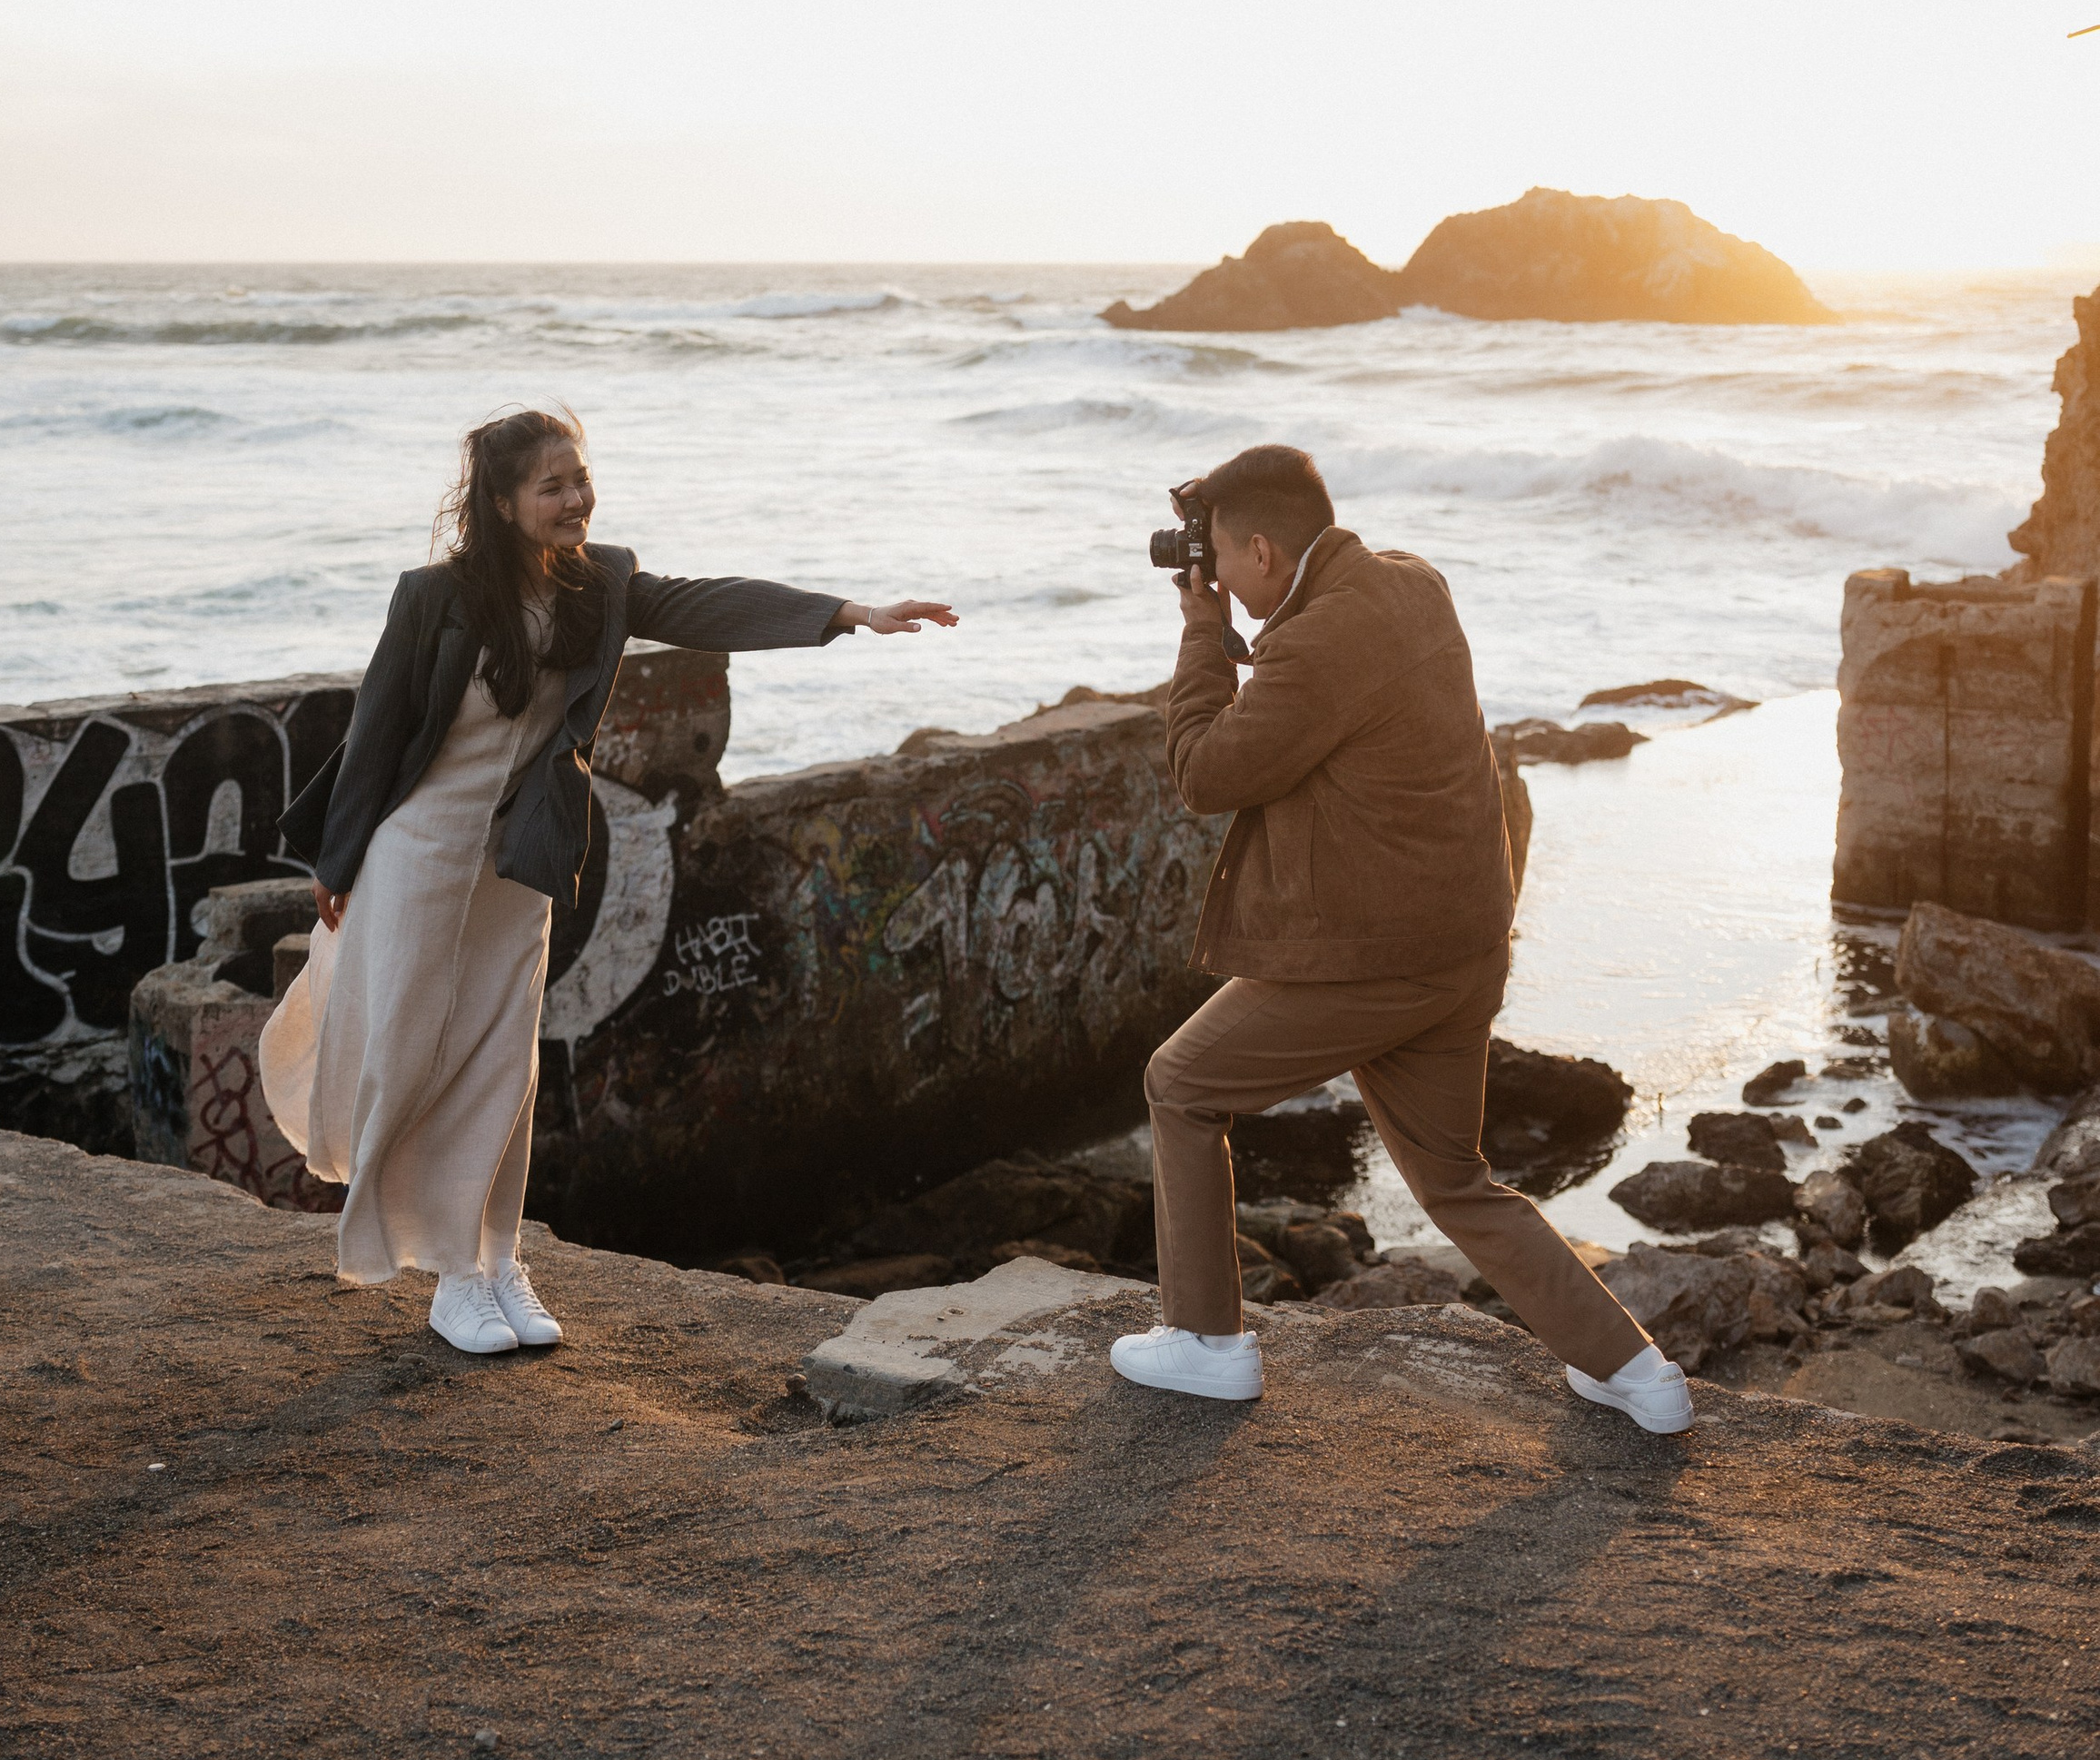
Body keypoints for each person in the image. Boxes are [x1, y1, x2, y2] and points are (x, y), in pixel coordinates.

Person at [262, 406, 956, 1359]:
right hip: (418, 852)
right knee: (413, 1049)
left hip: (520, 856)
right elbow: (373, 733)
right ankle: (450, 1270)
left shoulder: (603, 585)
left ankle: (492, 1262)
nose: (575, 499)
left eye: (579, 479)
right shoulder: (433, 598)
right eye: (552, 486)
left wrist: (847, 613)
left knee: (504, 1062)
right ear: (504, 503)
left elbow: (707, 603)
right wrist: (334, 865)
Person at [1108, 442, 1692, 1435]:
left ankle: (1206, 1343)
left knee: (1181, 1084)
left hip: (1369, 960)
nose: (1213, 578)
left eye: (1217, 557)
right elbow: (1338, 697)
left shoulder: (1314, 644)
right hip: (1462, 948)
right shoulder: (1410, 584)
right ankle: (1638, 1374)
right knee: (1456, 1181)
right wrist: (1250, 631)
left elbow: (1205, 773)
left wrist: (1202, 639)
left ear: (1259, 548)